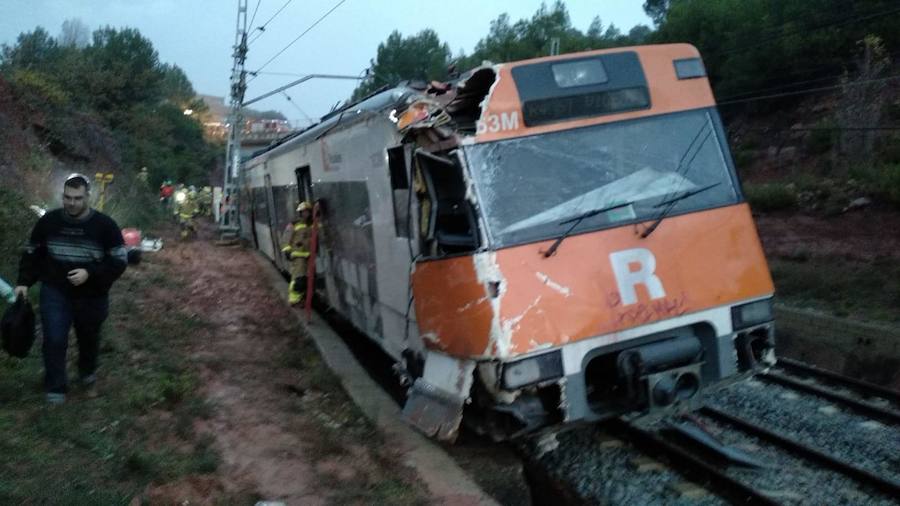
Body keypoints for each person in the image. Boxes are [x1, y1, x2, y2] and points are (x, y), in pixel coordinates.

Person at [14, 173, 127, 404]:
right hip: (55, 290)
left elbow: (119, 261)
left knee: (88, 338)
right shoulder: (49, 222)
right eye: (67, 197)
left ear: (88, 197)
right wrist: (24, 282)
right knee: (54, 338)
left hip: (92, 295)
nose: (71, 203)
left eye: (77, 198)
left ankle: (87, 372)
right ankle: (55, 387)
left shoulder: (105, 226)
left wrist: (90, 273)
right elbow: (33, 253)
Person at [281, 201, 312, 305]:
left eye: (307, 211)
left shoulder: (310, 225)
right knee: (298, 279)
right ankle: (294, 300)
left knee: (304, 279)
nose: (305, 214)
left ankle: (299, 298)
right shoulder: (294, 224)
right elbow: (286, 238)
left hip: (307, 256)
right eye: (303, 212)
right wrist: (287, 251)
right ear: (300, 213)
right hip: (298, 257)